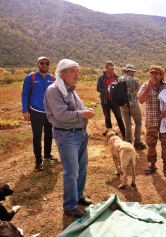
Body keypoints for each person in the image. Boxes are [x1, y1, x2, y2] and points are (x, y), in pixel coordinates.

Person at [43, 59, 95, 218]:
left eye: (78, 71)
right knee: (71, 171)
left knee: (81, 167)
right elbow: (61, 115)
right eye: (73, 71)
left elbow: (75, 109)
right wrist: (83, 114)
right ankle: (70, 205)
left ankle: (78, 196)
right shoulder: (54, 90)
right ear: (62, 74)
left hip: (80, 133)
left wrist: (84, 110)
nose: (77, 74)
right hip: (66, 135)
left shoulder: (70, 89)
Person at [138, 65, 166, 177]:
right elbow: (141, 100)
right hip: (151, 120)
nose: (154, 75)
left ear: (161, 75)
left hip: (165, 120)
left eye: (156, 73)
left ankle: (165, 166)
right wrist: (149, 87)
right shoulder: (146, 85)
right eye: (152, 73)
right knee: (151, 143)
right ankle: (152, 165)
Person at [21, 56, 56, 171]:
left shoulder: (52, 78)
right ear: (38, 64)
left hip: (49, 112)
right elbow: (25, 94)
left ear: (49, 66)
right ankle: (38, 160)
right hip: (35, 111)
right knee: (37, 136)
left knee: (49, 134)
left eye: (47, 63)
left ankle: (47, 155)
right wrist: (25, 111)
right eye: (42, 63)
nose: (44, 65)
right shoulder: (31, 77)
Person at [119, 64, 146, 149]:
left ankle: (128, 142)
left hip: (123, 105)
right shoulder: (135, 80)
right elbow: (140, 90)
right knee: (138, 123)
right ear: (130, 71)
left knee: (127, 125)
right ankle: (137, 142)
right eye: (133, 71)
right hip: (134, 105)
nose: (134, 73)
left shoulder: (119, 79)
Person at [97, 61, 125, 137]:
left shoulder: (117, 77)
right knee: (107, 117)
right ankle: (110, 134)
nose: (112, 70)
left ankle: (124, 134)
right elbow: (98, 89)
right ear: (106, 67)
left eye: (113, 68)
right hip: (105, 100)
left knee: (119, 117)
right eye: (111, 68)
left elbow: (120, 88)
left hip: (115, 101)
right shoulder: (101, 78)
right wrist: (107, 90)